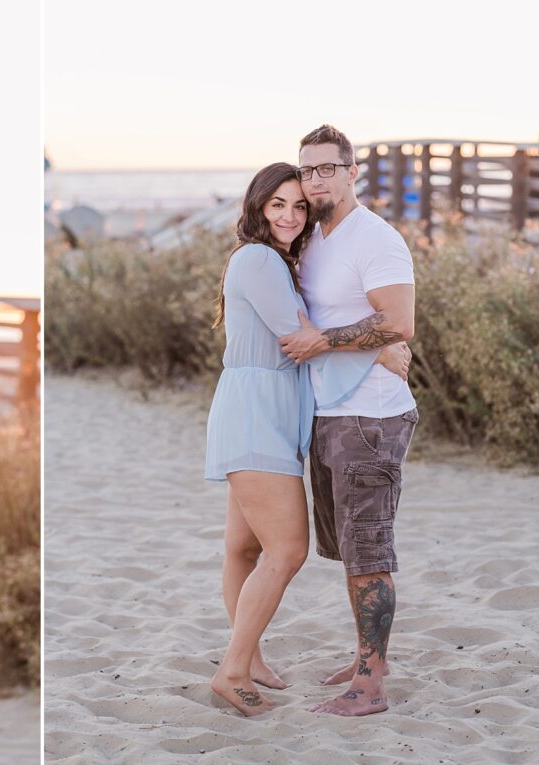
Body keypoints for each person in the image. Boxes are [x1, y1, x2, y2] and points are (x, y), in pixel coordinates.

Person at [205, 163, 409, 716]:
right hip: (258, 414)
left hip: (259, 409)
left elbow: (310, 329)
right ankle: (234, 668)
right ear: (256, 207)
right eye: (278, 205)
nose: (291, 215)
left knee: (243, 547)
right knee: (287, 549)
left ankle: (251, 657)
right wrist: (379, 346)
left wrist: (356, 340)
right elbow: (301, 338)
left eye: (299, 206)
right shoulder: (258, 258)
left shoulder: (273, 260)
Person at [278, 124, 418, 717]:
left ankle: (370, 687)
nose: (314, 180)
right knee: (348, 549)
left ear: (351, 171)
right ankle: (370, 656)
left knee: (369, 551)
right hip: (328, 412)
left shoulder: (375, 240)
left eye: (326, 169)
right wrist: (349, 342)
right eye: (307, 170)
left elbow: (399, 323)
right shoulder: (312, 240)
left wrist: (329, 342)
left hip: (371, 415)